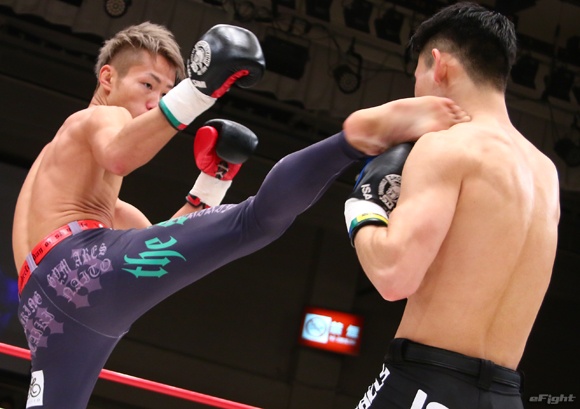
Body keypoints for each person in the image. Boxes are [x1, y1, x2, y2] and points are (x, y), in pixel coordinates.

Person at [12, 20, 469, 409]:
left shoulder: (90, 202)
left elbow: (168, 246)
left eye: (166, 90)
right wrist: (197, 90)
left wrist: (212, 182)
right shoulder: (96, 118)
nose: (155, 101)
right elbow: (118, 155)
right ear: (108, 78)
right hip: (77, 272)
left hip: (45, 314)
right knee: (254, 221)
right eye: (147, 85)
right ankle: (354, 139)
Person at [343, 2, 560, 408]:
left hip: (427, 384)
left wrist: (361, 208)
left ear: (439, 65)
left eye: (417, 75)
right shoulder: (545, 173)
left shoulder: (447, 147)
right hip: (505, 396)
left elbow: (393, 275)